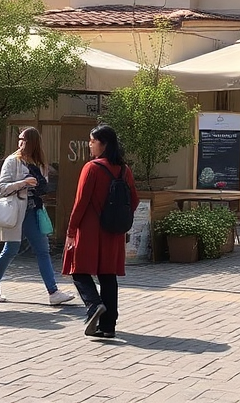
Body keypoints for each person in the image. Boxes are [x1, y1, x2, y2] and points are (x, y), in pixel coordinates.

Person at [63, 124, 139, 339]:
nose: (89, 145)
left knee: (78, 270)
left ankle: (93, 304)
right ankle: (108, 327)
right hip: (114, 231)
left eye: (92, 141)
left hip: (90, 229)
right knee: (108, 276)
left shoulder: (92, 168)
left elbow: (80, 203)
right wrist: (117, 217)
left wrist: (71, 231)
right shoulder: (124, 169)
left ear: (103, 144)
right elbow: (134, 200)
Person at [0, 127, 75, 306]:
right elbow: (2, 188)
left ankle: (53, 292)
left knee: (43, 250)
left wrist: (40, 185)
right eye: (19, 139)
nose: (20, 143)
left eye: (24, 139)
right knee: (10, 250)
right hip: (15, 211)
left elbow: (45, 187)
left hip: (33, 211)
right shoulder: (12, 161)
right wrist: (23, 183)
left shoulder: (40, 163)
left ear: (33, 142)